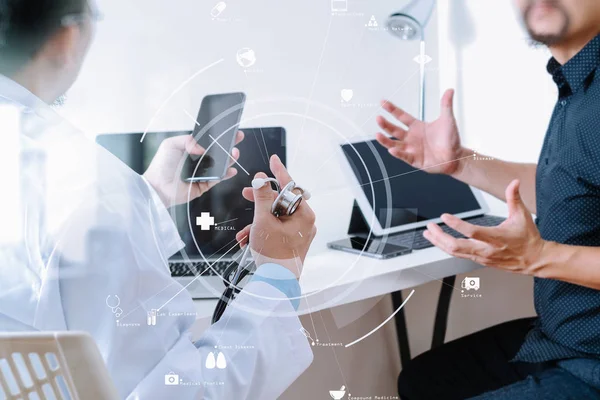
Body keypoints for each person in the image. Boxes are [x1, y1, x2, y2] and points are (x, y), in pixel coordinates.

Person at [0, 0, 316, 399]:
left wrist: (146, 195)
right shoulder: (87, 183)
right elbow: (177, 391)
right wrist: (278, 275)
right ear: (69, 36)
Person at [375, 0, 600, 398]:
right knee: (425, 380)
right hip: (563, 339)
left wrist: (538, 256)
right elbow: (572, 188)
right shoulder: (578, 85)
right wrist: (459, 163)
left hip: (591, 363)